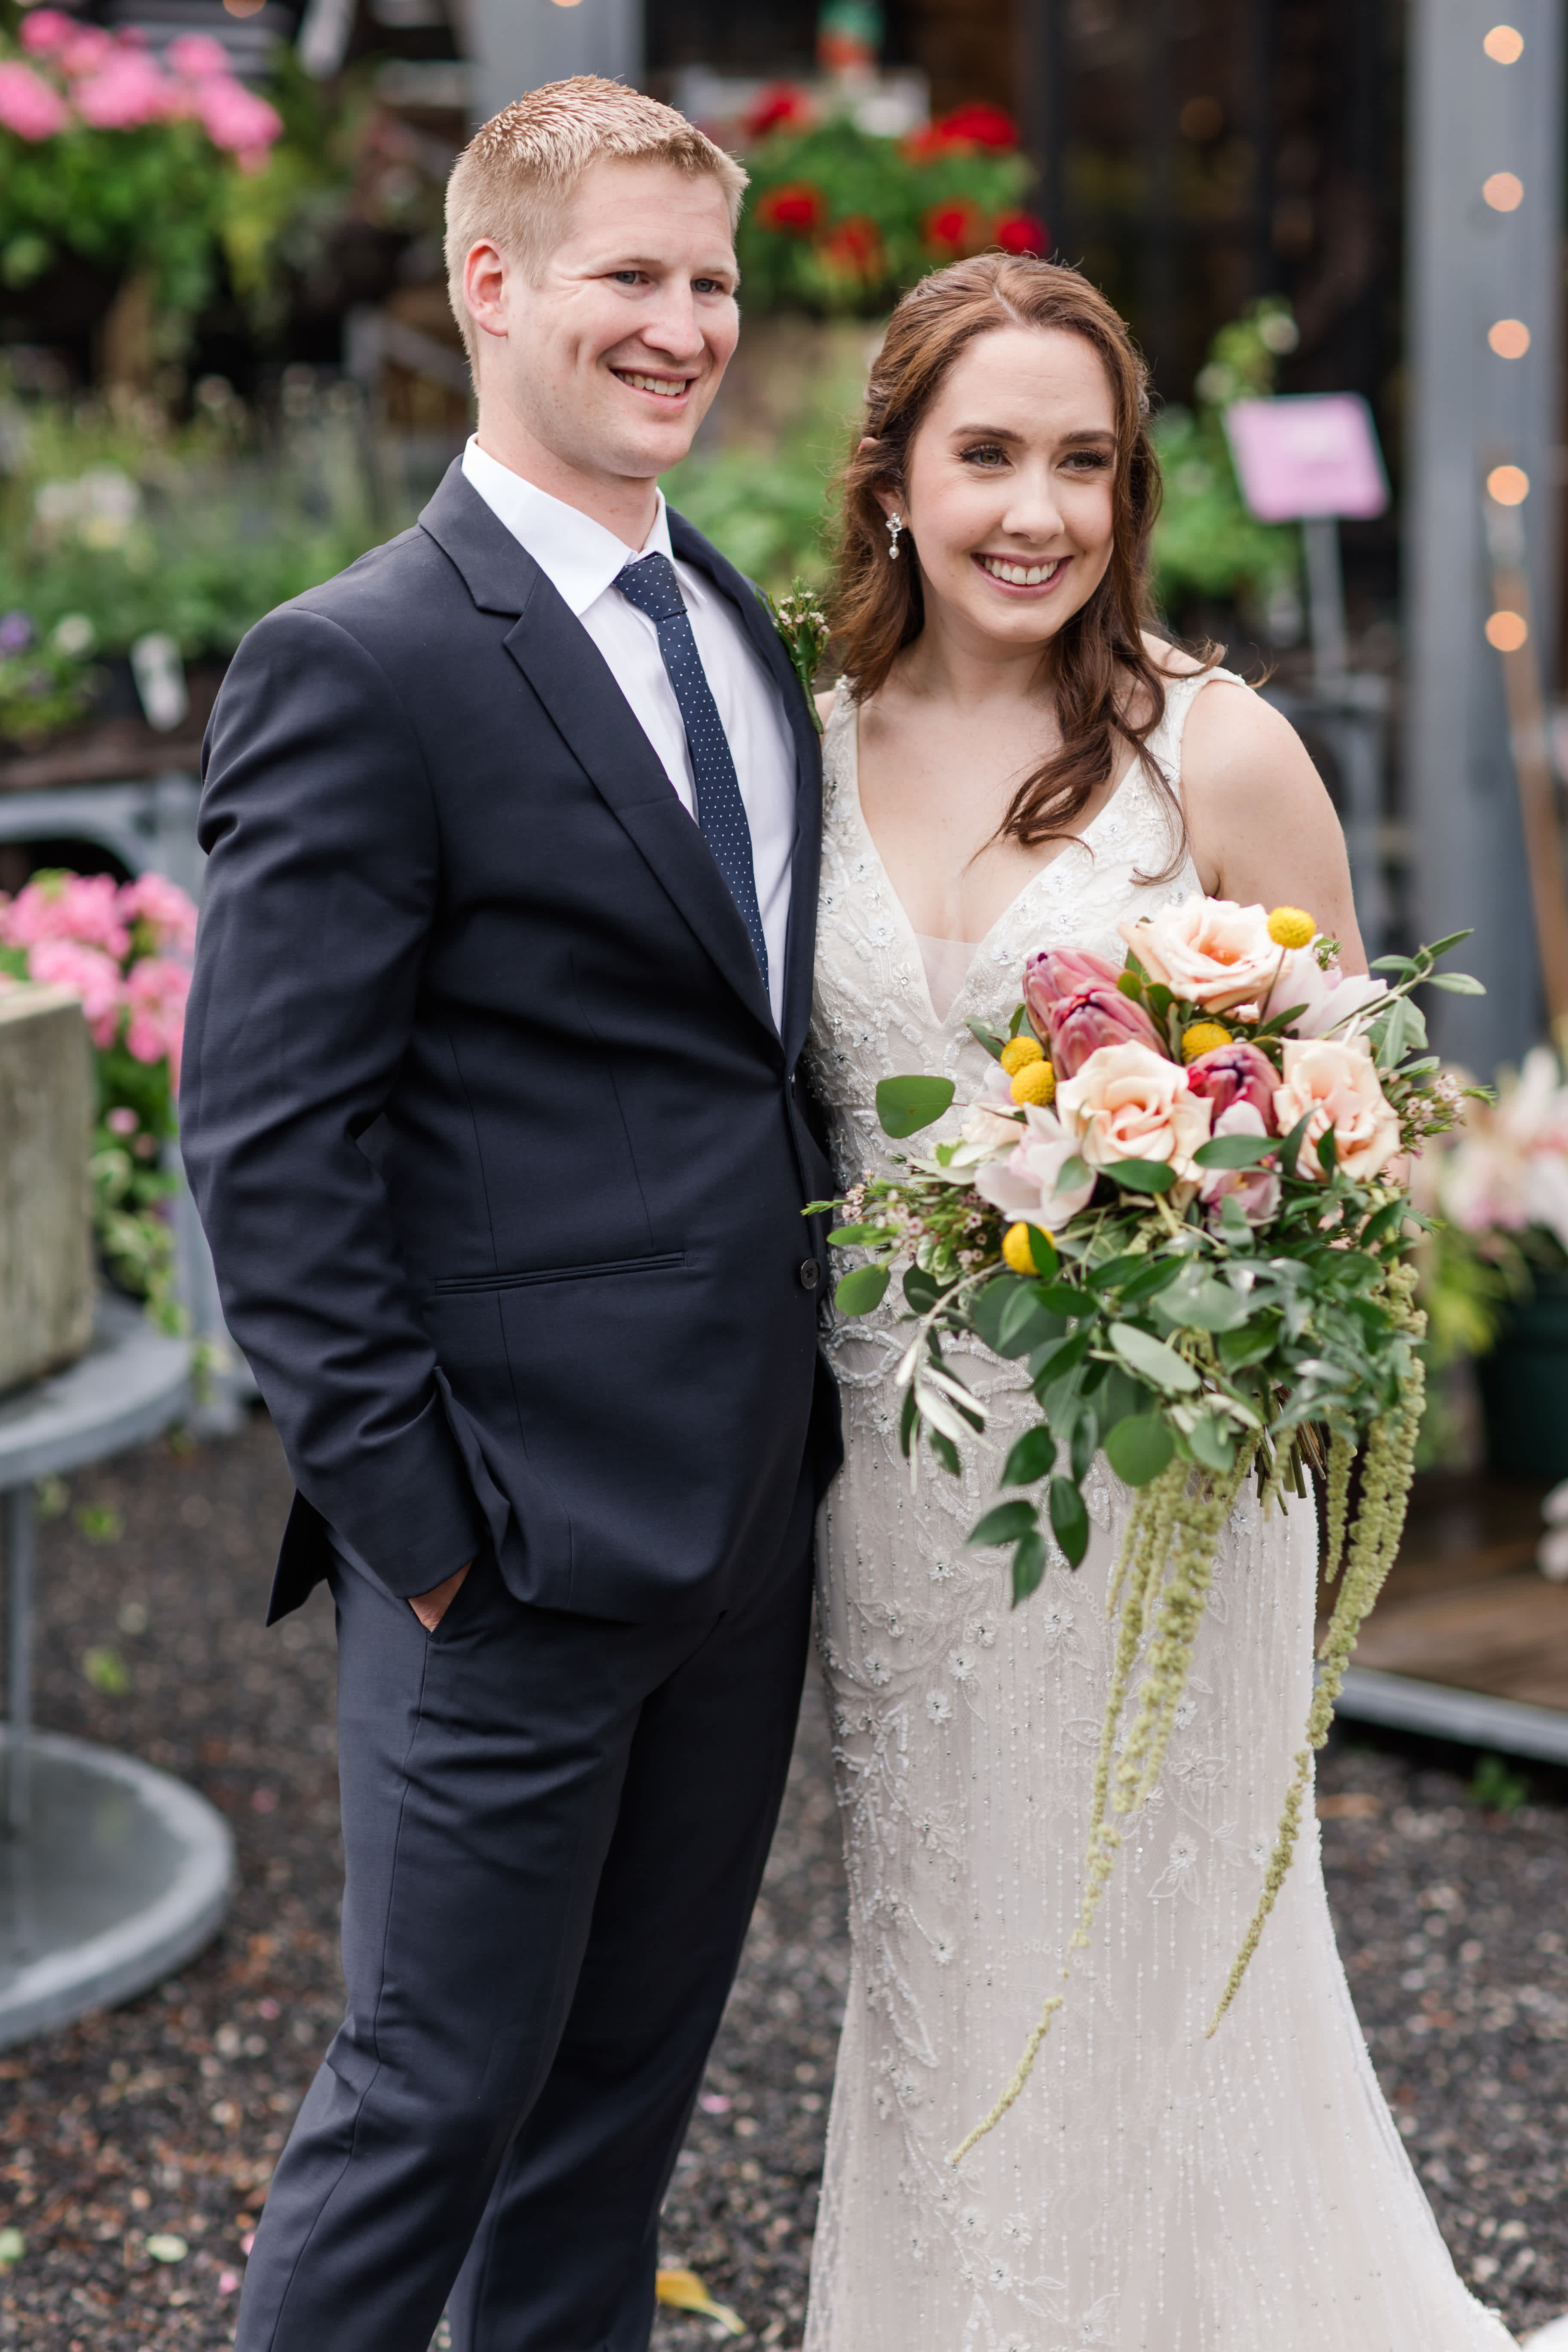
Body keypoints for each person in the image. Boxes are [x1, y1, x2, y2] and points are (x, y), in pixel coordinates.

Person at [180, 77, 839, 2352]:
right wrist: (428, 1538)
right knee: (425, 2110)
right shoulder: (359, 658)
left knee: (615, 2119)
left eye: (712, 282)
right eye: (630, 276)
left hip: (743, 1529)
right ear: (491, 283)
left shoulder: (731, 617)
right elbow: (267, 1148)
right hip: (510, 1554)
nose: (685, 326)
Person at [802, 253, 1517, 2351]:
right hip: (895, 1488)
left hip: (1157, 1475)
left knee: (1165, 1953)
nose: (1037, 511)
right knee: (943, 1953)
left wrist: (1205, 1229)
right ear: (895, 479)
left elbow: (1369, 1126)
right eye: (988, 455)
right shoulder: (799, 752)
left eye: (1085, 463)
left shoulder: (1217, 750)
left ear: (1129, 493)